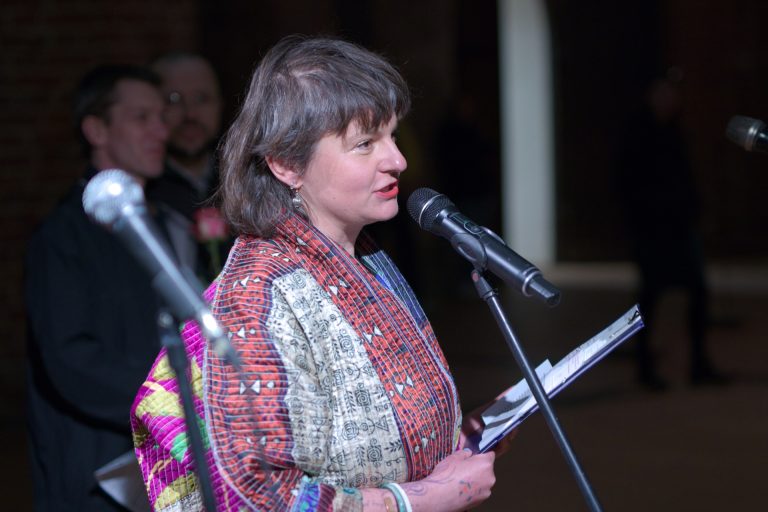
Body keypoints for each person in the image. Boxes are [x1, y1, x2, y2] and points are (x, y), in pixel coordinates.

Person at [132, 36, 503, 511]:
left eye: (392, 135)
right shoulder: (260, 296)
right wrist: (427, 499)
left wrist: (458, 440)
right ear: (287, 164)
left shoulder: (361, 255)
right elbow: (262, 494)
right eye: (365, 143)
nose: (398, 160)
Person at [25, 64, 169, 511]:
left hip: (162, 454)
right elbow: (70, 358)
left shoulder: (158, 221)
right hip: (99, 464)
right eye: (141, 117)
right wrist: (167, 401)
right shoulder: (64, 236)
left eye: (161, 117)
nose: (161, 130)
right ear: (97, 130)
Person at [615, 72, 724, 390]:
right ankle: (644, 367)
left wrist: (694, 211)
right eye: (664, 93)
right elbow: (627, 183)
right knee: (649, 297)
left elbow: (684, 179)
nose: (670, 100)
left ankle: (699, 363)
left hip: (679, 227)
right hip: (651, 230)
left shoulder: (675, 131)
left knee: (697, 293)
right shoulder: (638, 133)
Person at [146, 52, 231, 283]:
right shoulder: (141, 193)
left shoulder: (246, 182)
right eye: (173, 100)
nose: (190, 114)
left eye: (202, 99)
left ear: (220, 105)